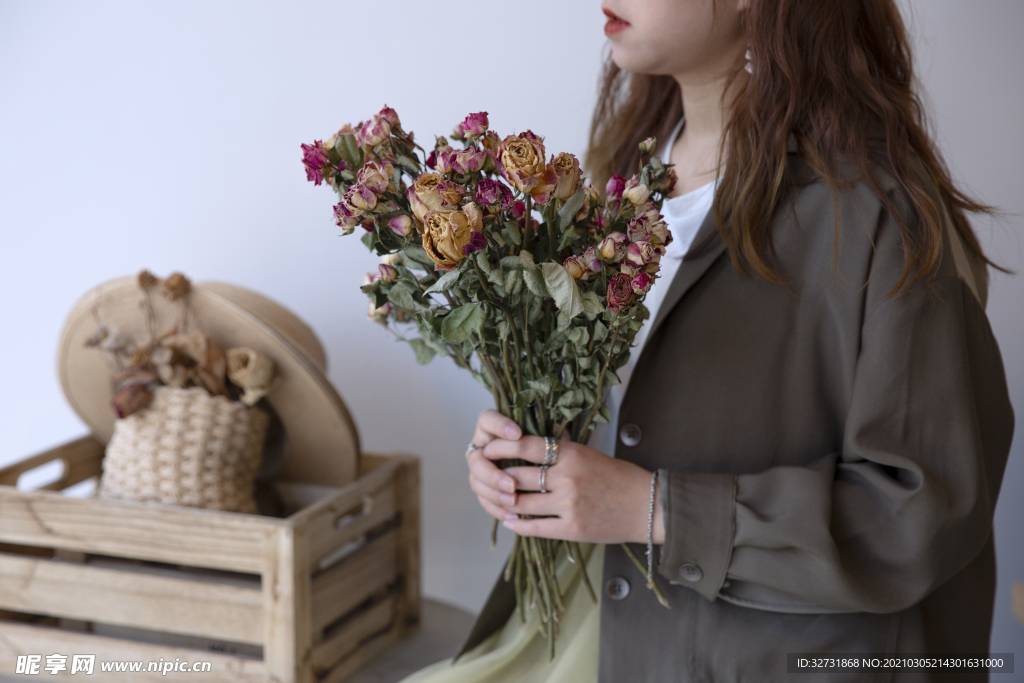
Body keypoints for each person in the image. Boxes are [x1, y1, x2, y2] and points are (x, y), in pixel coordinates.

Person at [410, 0, 1015, 681]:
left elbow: (921, 510)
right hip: (585, 638)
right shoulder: (615, 184)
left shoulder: (875, 218)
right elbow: (628, 428)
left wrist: (654, 508)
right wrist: (529, 458)